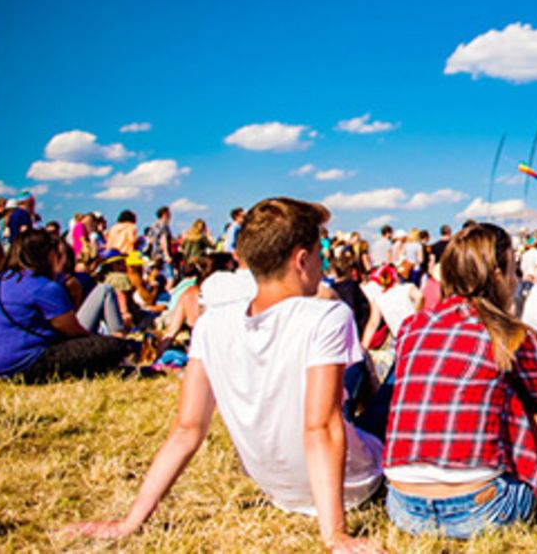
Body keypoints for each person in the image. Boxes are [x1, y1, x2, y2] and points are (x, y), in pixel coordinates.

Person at [59, 198, 385, 553]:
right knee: (393, 371)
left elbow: (186, 430)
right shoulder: (327, 316)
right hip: (353, 481)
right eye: (318, 258)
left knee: (348, 379)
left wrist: (130, 521)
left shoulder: (212, 323)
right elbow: (320, 428)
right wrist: (334, 535)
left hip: (278, 490)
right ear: (301, 260)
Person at [384, 222, 537, 538]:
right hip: (483, 509)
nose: (516, 279)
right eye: (512, 270)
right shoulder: (514, 336)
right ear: (497, 275)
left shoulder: (412, 327)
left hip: (403, 506)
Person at [0, 230, 132, 381]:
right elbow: (73, 332)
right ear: (47, 254)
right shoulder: (43, 286)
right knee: (115, 346)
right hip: (26, 364)